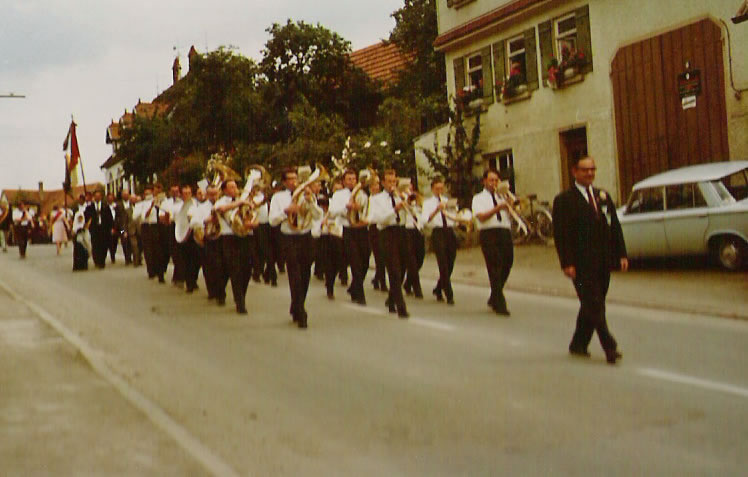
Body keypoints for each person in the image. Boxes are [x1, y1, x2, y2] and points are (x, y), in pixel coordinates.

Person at [552, 156, 628, 364]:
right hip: (580, 263)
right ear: (574, 172)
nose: (590, 173)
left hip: (603, 261)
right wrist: (566, 263)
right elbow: (561, 235)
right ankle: (609, 346)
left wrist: (621, 254)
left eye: (592, 169)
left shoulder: (603, 196)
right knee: (594, 304)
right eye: (585, 170)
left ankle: (578, 343)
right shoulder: (564, 200)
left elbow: (614, 226)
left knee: (593, 303)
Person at [269, 168, 322, 328]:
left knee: (305, 274)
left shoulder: (307, 195)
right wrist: (286, 212)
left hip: (305, 236)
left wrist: (310, 202)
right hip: (288, 237)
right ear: (284, 182)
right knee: (294, 274)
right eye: (290, 179)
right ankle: (301, 312)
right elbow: (272, 220)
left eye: (295, 178)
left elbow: (318, 216)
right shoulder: (278, 197)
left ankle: (296, 305)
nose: (294, 181)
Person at [472, 169, 514, 316]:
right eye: (491, 180)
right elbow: (481, 217)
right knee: (494, 267)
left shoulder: (502, 196)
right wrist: (498, 208)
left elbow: (511, 215)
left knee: (508, 263)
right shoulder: (478, 198)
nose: (494, 183)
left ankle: (494, 295)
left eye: (496, 180)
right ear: (484, 181)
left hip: (504, 231)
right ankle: (500, 305)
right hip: (488, 233)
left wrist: (511, 206)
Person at [369, 169, 410, 318]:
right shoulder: (376, 199)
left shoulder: (400, 196)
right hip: (386, 232)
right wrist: (394, 210)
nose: (392, 184)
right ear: (383, 183)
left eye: (394, 181)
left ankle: (392, 299)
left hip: (401, 231)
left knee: (403, 267)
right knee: (394, 270)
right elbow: (379, 219)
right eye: (389, 181)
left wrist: (409, 203)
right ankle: (401, 307)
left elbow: (411, 212)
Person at [329, 169, 370, 306]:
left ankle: (354, 288)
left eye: (354, 179)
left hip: (361, 228)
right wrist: (347, 207)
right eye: (349, 179)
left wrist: (360, 209)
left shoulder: (362, 194)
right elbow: (332, 211)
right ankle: (360, 295)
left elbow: (366, 210)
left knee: (365, 262)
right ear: (343, 181)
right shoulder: (339, 195)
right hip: (348, 229)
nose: (352, 182)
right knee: (355, 262)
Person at [214, 179, 253, 314]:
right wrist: (240, 202)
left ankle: (240, 296)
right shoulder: (221, 201)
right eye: (231, 187)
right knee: (234, 270)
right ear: (224, 190)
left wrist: (251, 221)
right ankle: (240, 302)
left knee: (246, 270)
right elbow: (221, 209)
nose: (235, 189)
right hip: (229, 238)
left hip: (244, 237)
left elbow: (251, 216)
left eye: (235, 186)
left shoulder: (242, 200)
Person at [421, 176, 457, 305]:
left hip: (449, 231)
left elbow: (454, 217)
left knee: (450, 263)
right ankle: (449, 294)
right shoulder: (427, 203)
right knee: (443, 264)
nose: (440, 191)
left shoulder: (448, 201)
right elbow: (425, 220)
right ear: (432, 189)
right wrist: (437, 210)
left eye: (442, 188)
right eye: (437, 189)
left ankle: (438, 288)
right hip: (438, 232)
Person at [367, 176, 387, 292]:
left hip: (382, 227)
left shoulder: (382, 199)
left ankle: (376, 279)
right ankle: (382, 282)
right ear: (369, 188)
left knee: (383, 255)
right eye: (373, 186)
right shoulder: (369, 200)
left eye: (377, 185)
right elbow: (369, 215)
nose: (375, 187)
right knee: (379, 257)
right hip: (373, 228)